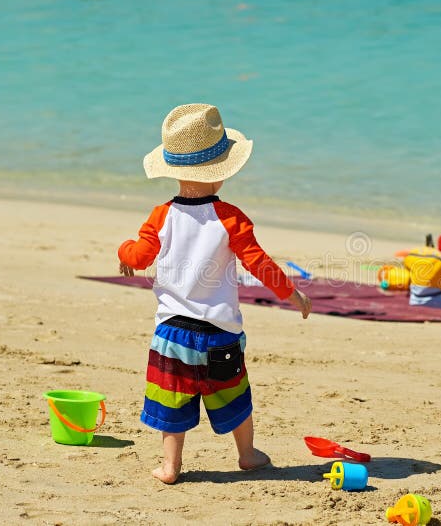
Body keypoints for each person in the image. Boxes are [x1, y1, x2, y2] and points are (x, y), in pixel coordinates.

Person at [117, 103, 312, 484]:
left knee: (172, 399)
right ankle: (248, 454)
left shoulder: (161, 216)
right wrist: (294, 295)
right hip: (220, 333)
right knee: (235, 397)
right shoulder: (231, 218)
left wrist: (123, 251)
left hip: (172, 334)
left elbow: (138, 258)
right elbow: (260, 264)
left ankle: (170, 467)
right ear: (220, 172)